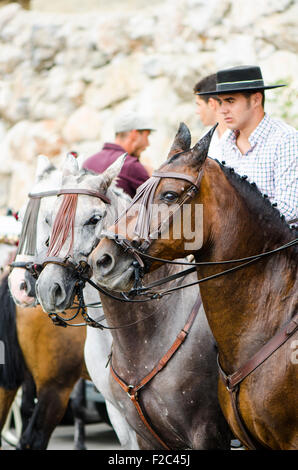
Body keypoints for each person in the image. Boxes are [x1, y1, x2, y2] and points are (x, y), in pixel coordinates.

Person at [195, 65, 297, 222]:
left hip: (278, 243)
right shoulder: (225, 144)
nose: (223, 110)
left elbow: (289, 209)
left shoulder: (285, 139)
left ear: (256, 99)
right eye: (221, 102)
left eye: (230, 100)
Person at [83, 111, 155, 198]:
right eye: (147, 136)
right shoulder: (132, 165)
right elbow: (155, 203)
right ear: (134, 134)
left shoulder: (88, 163)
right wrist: (153, 177)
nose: (148, 144)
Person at [193, 73, 230, 160]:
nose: (197, 111)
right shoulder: (206, 137)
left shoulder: (238, 138)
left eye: (199, 105)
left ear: (211, 104)